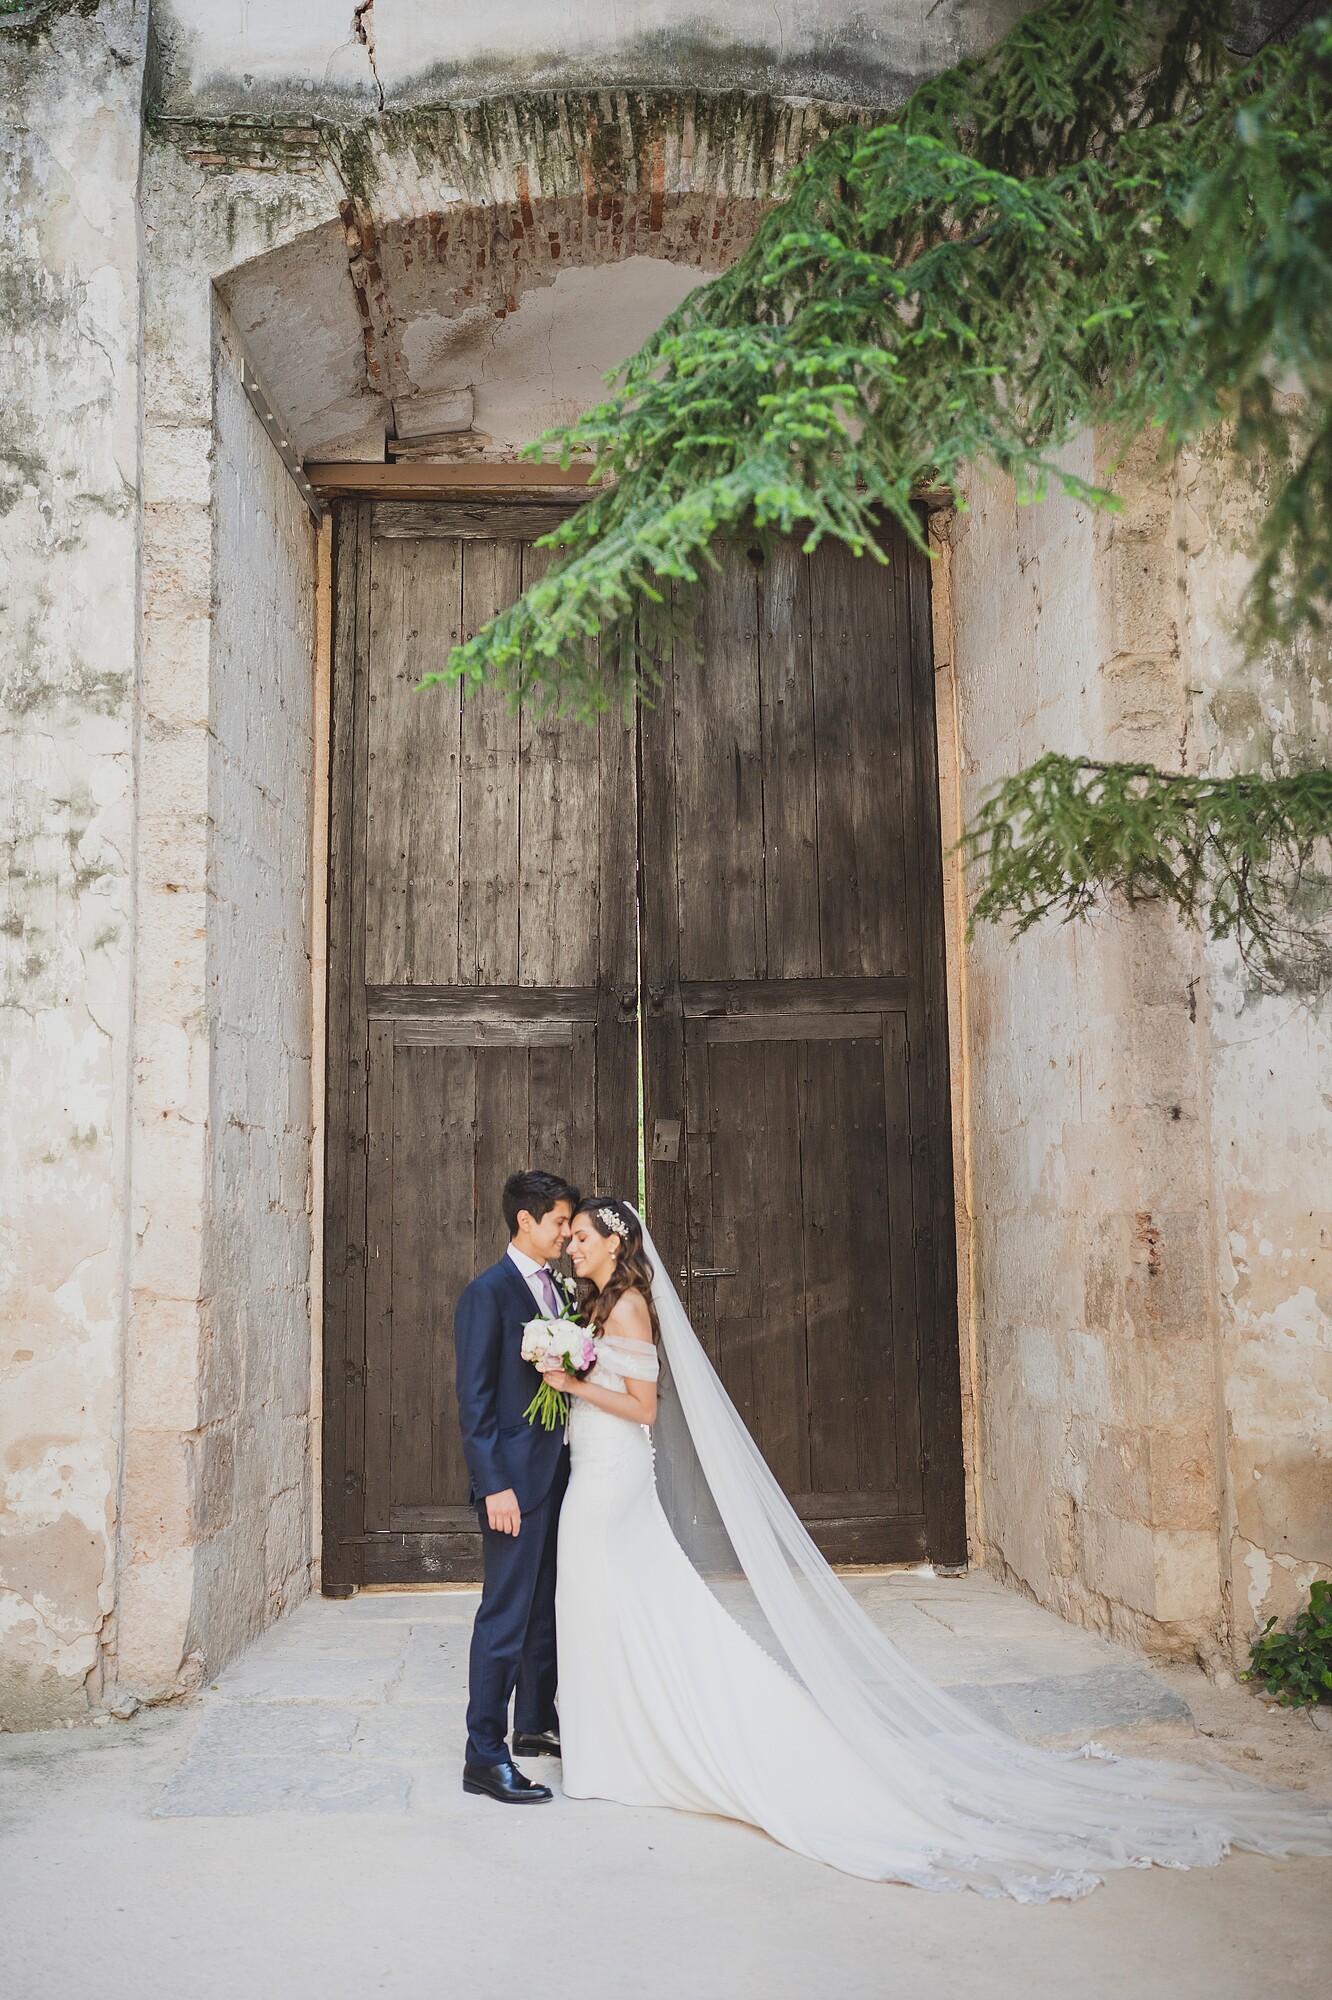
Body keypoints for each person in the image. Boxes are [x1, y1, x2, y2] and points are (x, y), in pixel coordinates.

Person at [535, 1196, 1332, 1899]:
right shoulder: (601, 1303)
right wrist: (571, 1357)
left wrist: (571, 1379)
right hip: (602, 1471)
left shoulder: (631, 1304)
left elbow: (642, 1407)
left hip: (612, 1479)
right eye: (570, 1240)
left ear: (616, 1241)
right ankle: (619, 1746)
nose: (573, 1245)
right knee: (617, 1602)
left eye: (584, 1238)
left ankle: (631, 1751)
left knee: (605, 1593)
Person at [454, 1168, 578, 1805]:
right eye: (559, 1222)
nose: (567, 1233)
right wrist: (493, 1485)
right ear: (525, 1221)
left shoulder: (556, 1288)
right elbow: (474, 1404)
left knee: (543, 1605)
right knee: (503, 1615)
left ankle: (534, 1723)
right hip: (512, 1485)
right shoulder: (489, 1293)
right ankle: (484, 1755)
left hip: (555, 1474)